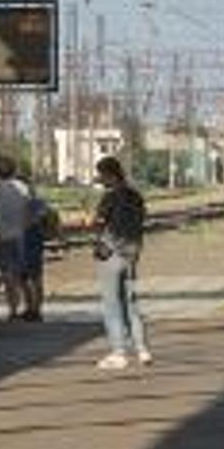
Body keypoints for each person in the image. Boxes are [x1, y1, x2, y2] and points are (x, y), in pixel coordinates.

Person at [87, 155, 151, 371]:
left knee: (112, 305)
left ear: (110, 175)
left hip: (110, 255)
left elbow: (98, 223)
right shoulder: (136, 196)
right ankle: (141, 349)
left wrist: (90, 222)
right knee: (131, 303)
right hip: (132, 254)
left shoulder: (110, 197)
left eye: (102, 175)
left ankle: (118, 352)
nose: (100, 179)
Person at [0, 157, 40, 321]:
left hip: (1, 236)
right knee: (21, 274)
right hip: (21, 235)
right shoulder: (23, 187)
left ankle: (12, 309)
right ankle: (27, 307)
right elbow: (33, 211)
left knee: (7, 275)